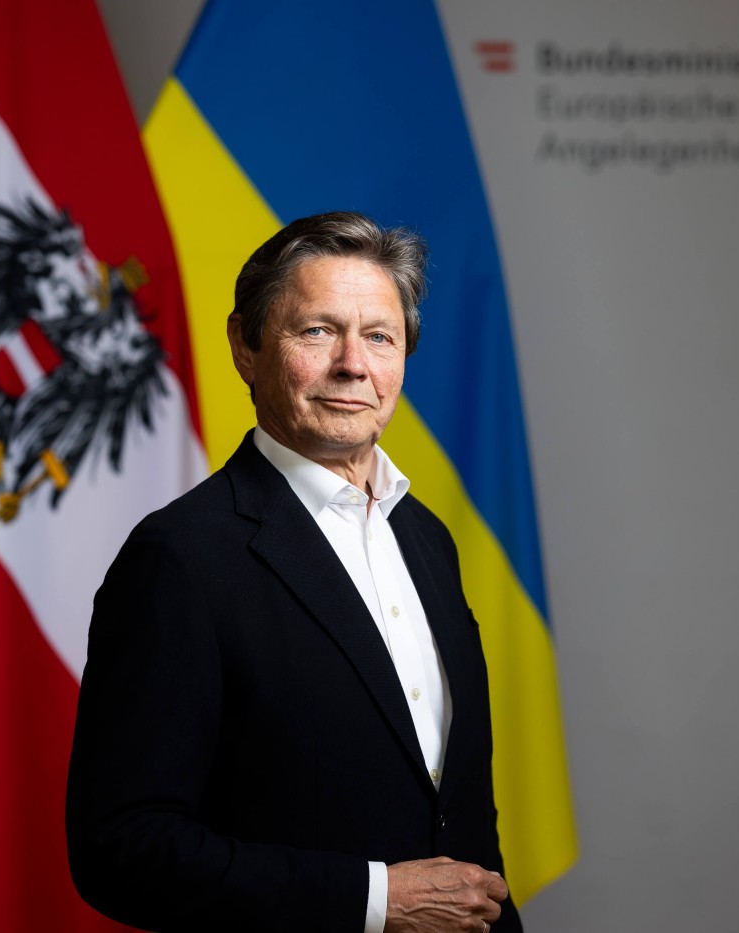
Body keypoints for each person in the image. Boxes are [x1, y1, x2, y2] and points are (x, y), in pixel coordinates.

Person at [66, 211, 519, 933]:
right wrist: (374, 901)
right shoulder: (179, 558)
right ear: (246, 346)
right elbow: (120, 847)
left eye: (379, 336)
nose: (353, 364)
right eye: (317, 331)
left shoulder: (428, 539)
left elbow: (459, 816)